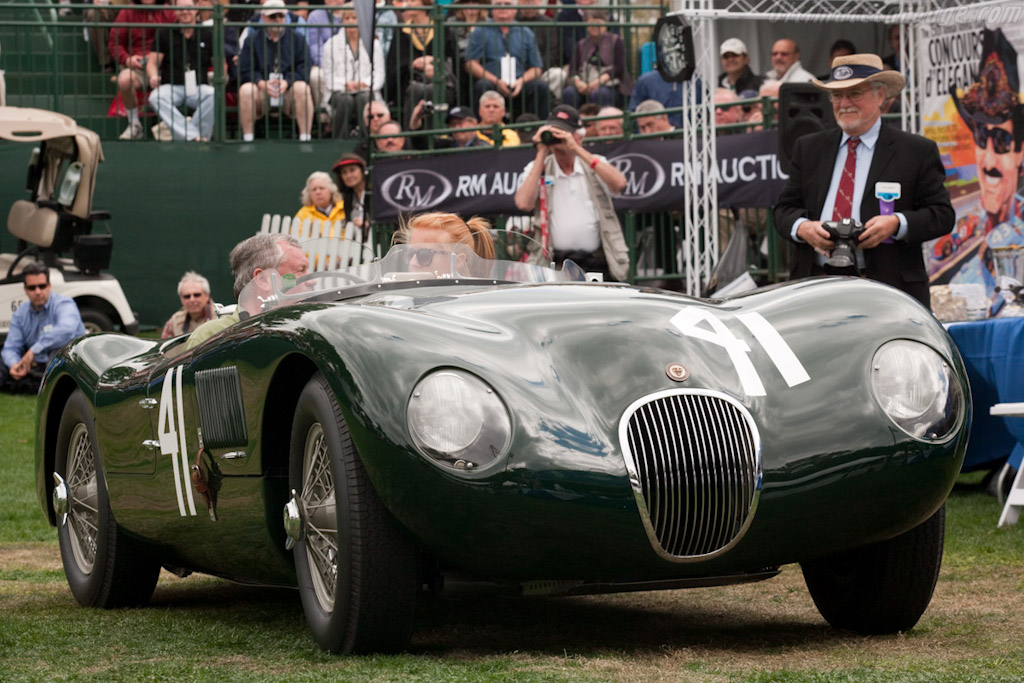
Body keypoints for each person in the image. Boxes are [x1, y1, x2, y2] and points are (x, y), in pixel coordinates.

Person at [773, 53, 954, 310]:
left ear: (880, 96)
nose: (844, 103)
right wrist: (803, 228)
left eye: (854, 93)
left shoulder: (915, 151)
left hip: (888, 291)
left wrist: (896, 223)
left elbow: (942, 214)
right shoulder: (810, 148)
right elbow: (783, 211)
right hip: (814, 288)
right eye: (837, 95)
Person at [947, 28, 1024, 307]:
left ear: (1020, 152)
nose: (989, 160)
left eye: (1002, 141)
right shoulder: (962, 234)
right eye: (981, 138)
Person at [514, 105, 629, 281]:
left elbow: (619, 184)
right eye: (554, 132)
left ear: (579, 136)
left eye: (563, 132)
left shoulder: (595, 164)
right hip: (556, 264)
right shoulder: (539, 168)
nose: (557, 138)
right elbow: (523, 203)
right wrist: (542, 151)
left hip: (597, 263)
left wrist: (576, 149)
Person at [185, 233, 309, 350]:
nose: (312, 280)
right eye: (300, 270)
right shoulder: (209, 337)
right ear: (263, 279)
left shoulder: (308, 328)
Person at [2, 263, 87, 393]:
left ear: (49, 286)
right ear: (25, 289)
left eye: (42, 286)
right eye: (32, 287)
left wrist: (33, 351)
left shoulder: (65, 304)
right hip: (34, 365)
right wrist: (14, 364)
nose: (38, 292)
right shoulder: (20, 313)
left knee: (60, 354)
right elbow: (11, 347)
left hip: (63, 361)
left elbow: (66, 329)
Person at [238, 0, 314, 142]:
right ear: (263, 18)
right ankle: (247, 138)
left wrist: (287, 81)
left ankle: (305, 137)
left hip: (288, 90)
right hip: (262, 90)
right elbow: (245, 69)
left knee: (302, 87)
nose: (278, 20)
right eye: (273, 16)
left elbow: (304, 67)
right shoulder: (252, 40)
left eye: (281, 16)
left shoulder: (297, 38)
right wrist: (261, 83)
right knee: (246, 90)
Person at [466, 0, 549, 119]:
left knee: (540, 87)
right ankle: (481, 130)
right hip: (492, 81)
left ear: (516, 9)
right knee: (482, 86)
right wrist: (497, 81)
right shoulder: (480, 31)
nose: (502, 8)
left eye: (507, 4)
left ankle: (535, 130)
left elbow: (536, 68)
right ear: (492, 9)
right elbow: (471, 64)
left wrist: (521, 81)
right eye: (498, 5)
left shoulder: (526, 32)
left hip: (519, 82)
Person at [146, 0, 216, 142]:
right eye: (181, 8)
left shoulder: (208, 34)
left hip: (198, 87)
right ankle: (193, 137)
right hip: (171, 86)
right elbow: (152, 62)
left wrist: (222, 74)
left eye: (189, 8)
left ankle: (192, 135)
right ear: (175, 10)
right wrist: (153, 75)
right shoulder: (164, 33)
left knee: (214, 95)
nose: (185, 12)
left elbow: (220, 63)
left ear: (197, 8)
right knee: (155, 97)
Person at [108, 0, 176, 140]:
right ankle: (134, 125)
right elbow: (115, 43)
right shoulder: (127, 12)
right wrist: (127, 59)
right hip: (138, 66)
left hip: (166, 65)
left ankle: (169, 125)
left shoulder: (169, 12)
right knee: (125, 80)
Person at [385, 0, 458, 129]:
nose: (408, 4)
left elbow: (451, 57)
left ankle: (437, 132)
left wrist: (435, 63)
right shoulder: (402, 31)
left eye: (413, 1)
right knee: (417, 90)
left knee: (434, 90)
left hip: (440, 80)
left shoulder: (441, 28)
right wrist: (413, 64)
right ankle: (412, 133)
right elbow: (394, 63)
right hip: (409, 81)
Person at [320, 3, 385, 138]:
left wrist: (365, 83)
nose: (351, 21)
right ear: (342, 20)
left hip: (366, 90)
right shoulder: (331, 44)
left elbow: (379, 74)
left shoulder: (374, 43)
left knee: (363, 98)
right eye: (347, 18)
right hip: (338, 91)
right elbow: (328, 76)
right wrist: (345, 84)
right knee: (346, 100)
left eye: (355, 18)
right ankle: (339, 140)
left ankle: (366, 140)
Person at [561, 9, 631, 109]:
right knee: (569, 93)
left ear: (605, 24)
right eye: (591, 23)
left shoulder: (616, 40)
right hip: (584, 82)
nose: (595, 26)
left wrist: (600, 80)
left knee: (599, 94)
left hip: (610, 84)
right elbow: (573, 69)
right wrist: (579, 83)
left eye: (598, 23)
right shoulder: (581, 44)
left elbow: (620, 66)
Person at [393, 211, 496, 260]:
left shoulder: (477, 302)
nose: (413, 263)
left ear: (458, 261)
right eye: (410, 254)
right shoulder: (401, 299)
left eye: (424, 255)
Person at [409, 103, 492, 149]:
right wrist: (415, 119)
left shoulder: (484, 148)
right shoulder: (446, 145)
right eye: (453, 124)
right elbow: (420, 142)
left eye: (460, 123)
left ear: (473, 123)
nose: (456, 128)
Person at [161, 271, 216, 338]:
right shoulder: (174, 321)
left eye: (197, 295)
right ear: (181, 299)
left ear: (207, 296)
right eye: (187, 296)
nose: (192, 300)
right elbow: (165, 347)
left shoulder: (219, 317)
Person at [295, 171, 346, 236]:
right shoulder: (303, 214)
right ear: (309, 194)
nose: (318, 192)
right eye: (314, 189)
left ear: (331, 190)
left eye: (322, 188)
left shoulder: (344, 208)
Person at [331, 152, 370, 229]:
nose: (348, 176)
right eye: (344, 172)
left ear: (363, 171)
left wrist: (369, 224)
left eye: (352, 170)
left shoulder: (375, 193)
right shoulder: (348, 198)